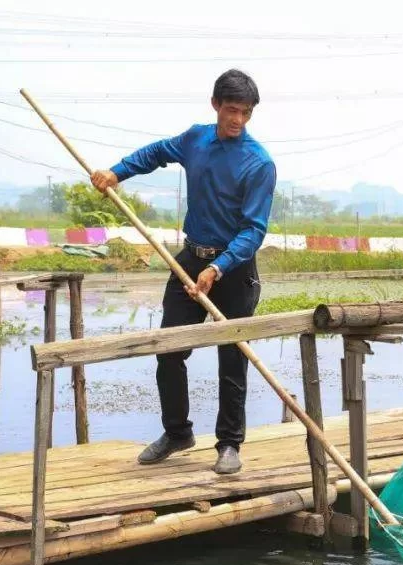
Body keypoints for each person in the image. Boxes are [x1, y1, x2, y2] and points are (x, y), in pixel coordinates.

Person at [90, 69, 276, 474]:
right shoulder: (196, 138)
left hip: (235, 265)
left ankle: (229, 444)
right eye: (231, 110)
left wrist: (218, 267)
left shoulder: (259, 163)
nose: (237, 120)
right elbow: (157, 153)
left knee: (233, 354)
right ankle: (177, 432)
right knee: (169, 348)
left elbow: (253, 230)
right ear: (215, 105)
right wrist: (117, 172)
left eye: (246, 113)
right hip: (189, 259)